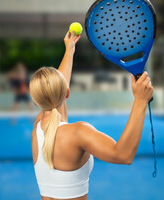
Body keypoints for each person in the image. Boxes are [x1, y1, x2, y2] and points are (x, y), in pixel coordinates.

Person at [29, 30, 154, 200]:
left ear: (36, 102)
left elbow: (56, 93)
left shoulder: (38, 127)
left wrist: (69, 50)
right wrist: (140, 101)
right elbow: (123, 155)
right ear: (67, 93)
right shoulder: (78, 133)